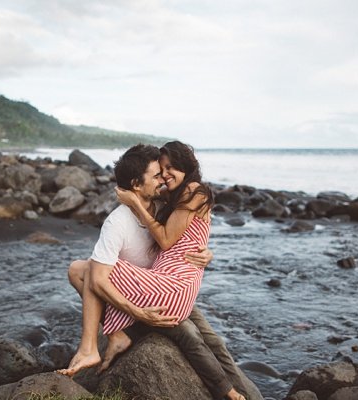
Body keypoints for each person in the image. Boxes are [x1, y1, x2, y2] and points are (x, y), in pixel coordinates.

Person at [58, 143, 249, 400]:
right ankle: (105, 340)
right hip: (145, 291)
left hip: (164, 286)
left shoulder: (165, 203)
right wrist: (138, 313)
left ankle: (247, 394)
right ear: (138, 184)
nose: (163, 177)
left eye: (167, 170)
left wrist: (207, 252)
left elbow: (184, 234)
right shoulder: (118, 221)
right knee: (85, 269)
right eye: (159, 172)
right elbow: (100, 278)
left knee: (214, 342)